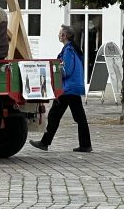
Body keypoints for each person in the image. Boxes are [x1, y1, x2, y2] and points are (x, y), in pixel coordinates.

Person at [30, 25, 93, 153]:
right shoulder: (73, 49)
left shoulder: (68, 50)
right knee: (72, 116)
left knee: (56, 115)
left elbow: (66, 71)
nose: (58, 35)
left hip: (68, 88)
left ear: (64, 36)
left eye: (60, 33)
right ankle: (85, 144)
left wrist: (53, 70)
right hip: (72, 88)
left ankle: (45, 143)